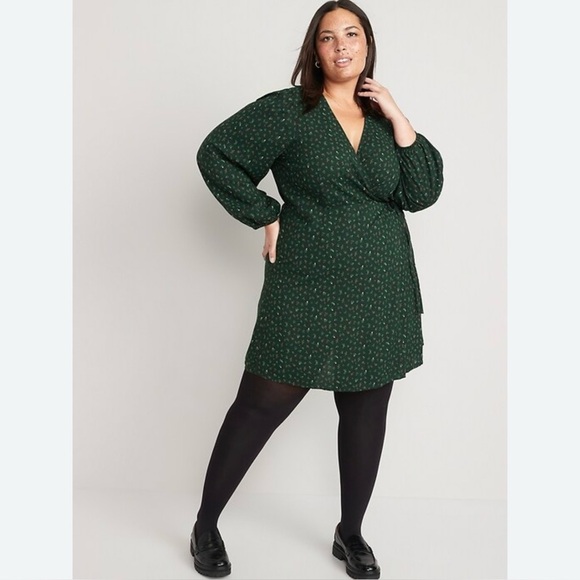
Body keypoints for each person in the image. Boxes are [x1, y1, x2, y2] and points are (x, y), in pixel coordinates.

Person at [190, 1, 444, 578]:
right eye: (329, 37)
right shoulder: (289, 110)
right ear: (315, 50)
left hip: (380, 284)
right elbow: (216, 155)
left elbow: (423, 191)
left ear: (367, 45)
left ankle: (350, 532)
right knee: (260, 404)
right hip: (305, 280)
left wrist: (398, 114)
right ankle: (206, 524)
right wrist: (263, 212)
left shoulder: (382, 118)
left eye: (352, 34)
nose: (342, 46)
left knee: (365, 413)